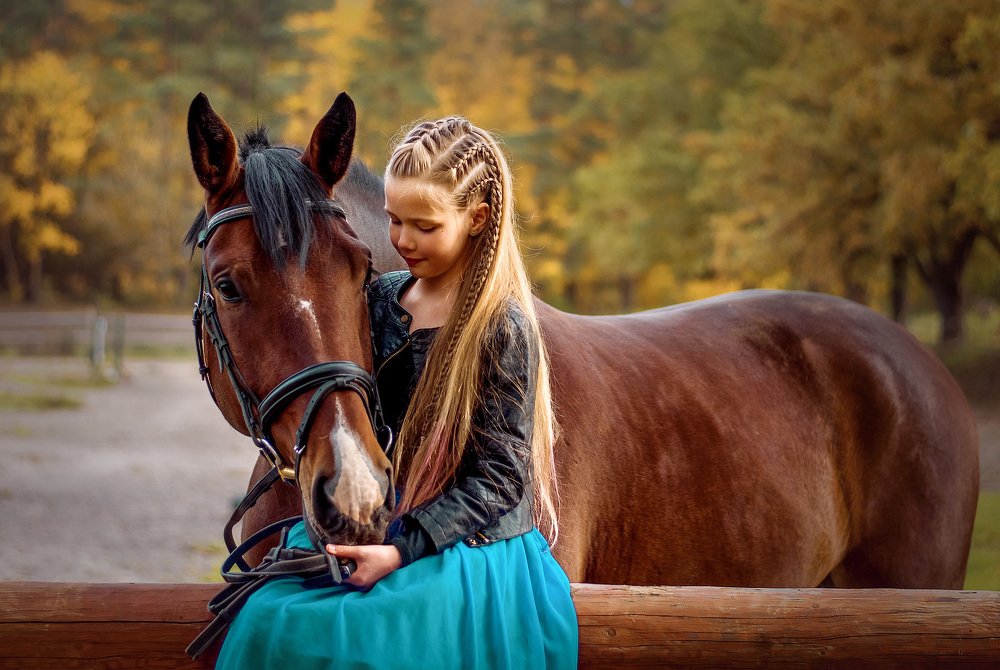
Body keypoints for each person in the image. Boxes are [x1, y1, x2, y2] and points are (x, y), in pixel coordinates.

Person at [214, 117, 578, 669]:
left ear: (477, 220)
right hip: (395, 521)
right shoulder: (382, 299)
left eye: (424, 226)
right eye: (392, 220)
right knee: (270, 613)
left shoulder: (499, 327)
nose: (402, 241)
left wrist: (402, 549)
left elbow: (503, 478)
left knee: (377, 633)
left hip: (468, 545)